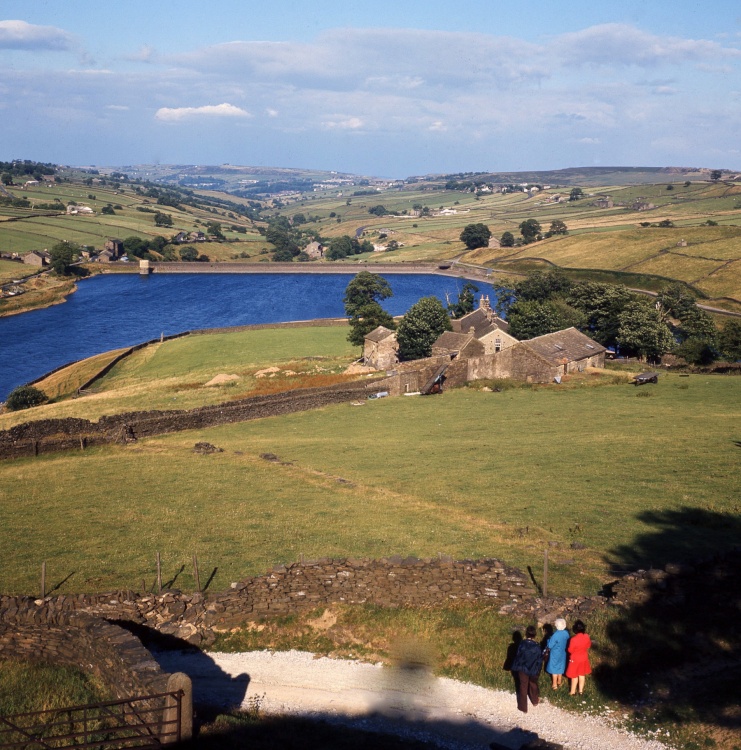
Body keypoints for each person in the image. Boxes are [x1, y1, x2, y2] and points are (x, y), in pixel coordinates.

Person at [511, 625, 542, 712]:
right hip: (533, 668)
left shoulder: (522, 644)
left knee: (523, 686)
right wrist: (538, 670)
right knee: (533, 684)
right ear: (535, 635)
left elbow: (518, 656)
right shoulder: (537, 647)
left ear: (526, 634)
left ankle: (523, 707)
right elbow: (539, 660)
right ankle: (535, 700)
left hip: (522, 668)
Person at [565, 619, 592, 695]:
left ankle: (572, 692)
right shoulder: (586, 636)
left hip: (575, 659)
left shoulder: (573, 639)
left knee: (574, 675)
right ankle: (581, 691)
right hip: (584, 658)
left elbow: (570, 650)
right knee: (582, 675)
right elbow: (588, 645)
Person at [545, 618, 569, 690]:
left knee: (554, 668)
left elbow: (550, 645)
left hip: (555, 653)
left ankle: (554, 684)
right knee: (560, 666)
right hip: (563, 653)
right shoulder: (566, 633)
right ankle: (559, 681)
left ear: (556, 626)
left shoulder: (555, 635)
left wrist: (548, 640)